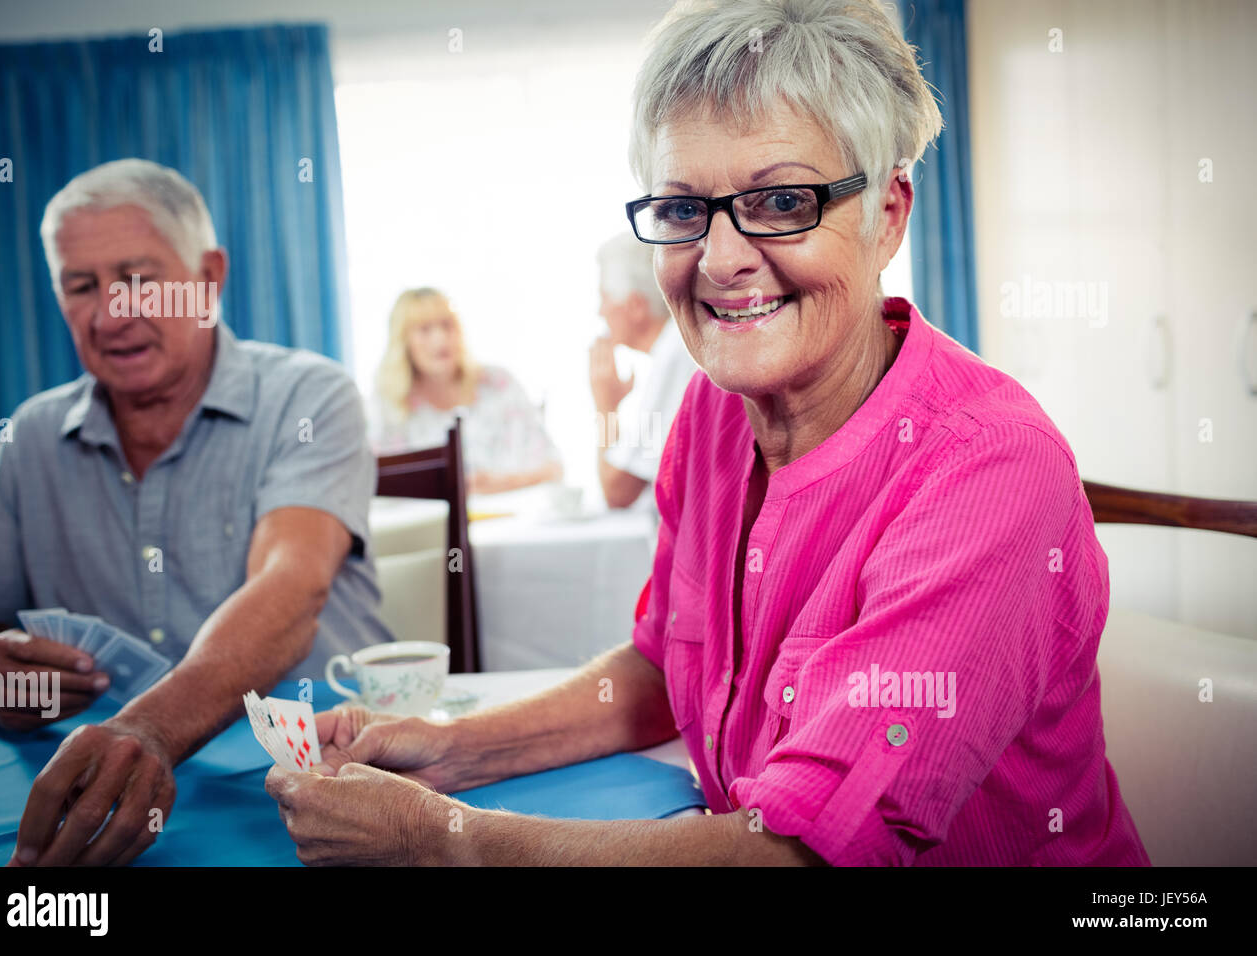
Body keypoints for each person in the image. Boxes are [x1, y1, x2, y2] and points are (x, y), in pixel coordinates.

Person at [265, 0, 1150, 866]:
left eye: (781, 201)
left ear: (887, 216)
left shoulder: (988, 471)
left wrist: (444, 841)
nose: (721, 259)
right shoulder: (709, 409)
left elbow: (801, 853)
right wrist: (448, 747)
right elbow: (663, 671)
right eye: (685, 210)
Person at [0, 158, 393, 866]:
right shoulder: (31, 438)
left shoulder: (310, 397)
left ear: (209, 277)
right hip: (100, 797)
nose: (109, 313)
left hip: (324, 788)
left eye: (138, 280)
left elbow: (289, 592)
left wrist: (147, 731)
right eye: (80, 286)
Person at [368, 288, 562, 495]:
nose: (440, 338)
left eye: (447, 325)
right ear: (403, 340)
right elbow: (375, 489)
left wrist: (502, 484)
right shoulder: (386, 405)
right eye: (425, 329)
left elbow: (554, 468)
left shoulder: (499, 384)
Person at [590, 232, 697, 510]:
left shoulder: (674, 356)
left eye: (604, 298)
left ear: (636, 306)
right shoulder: (673, 349)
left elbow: (617, 491)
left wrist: (605, 407)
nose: (600, 312)